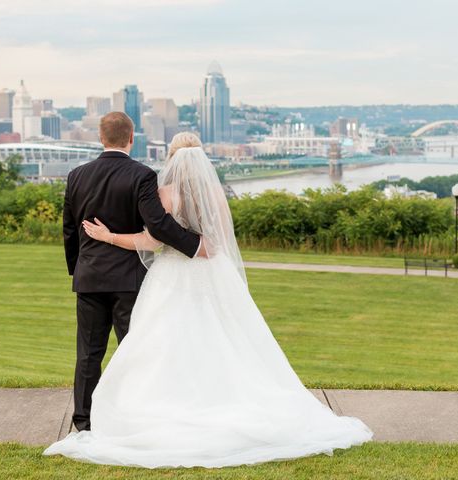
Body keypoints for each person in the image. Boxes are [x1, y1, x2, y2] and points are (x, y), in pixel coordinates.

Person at [45, 132, 373, 468]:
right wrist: (200, 248)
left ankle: (146, 409)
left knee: (161, 346)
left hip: (173, 275)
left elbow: (153, 240)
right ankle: (220, 401)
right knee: (226, 340)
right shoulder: (215, 193)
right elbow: (215, 241)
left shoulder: (164, 194)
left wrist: (108, 236)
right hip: (214, 272)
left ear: (172, 158)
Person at [62, 113, 206, 432]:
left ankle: (83, 421)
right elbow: (157, 225)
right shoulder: (141, 175)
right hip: (129, 279)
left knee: (88, 353)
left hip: (88, 278)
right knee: (135, 351)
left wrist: (78, 270)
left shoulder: (76, 176)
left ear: (101, 138)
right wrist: (195, 246)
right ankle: (134, 414)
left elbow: (70, 232)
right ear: (131, 138)